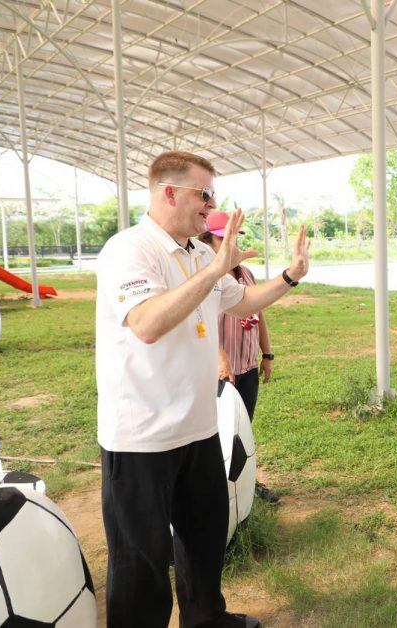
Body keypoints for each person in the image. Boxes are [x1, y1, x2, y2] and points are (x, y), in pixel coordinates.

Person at [95, 151, 310, 628]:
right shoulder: (129, 251)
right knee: (141, 558)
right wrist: (214, 271)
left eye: (212, 194)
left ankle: (206, 618)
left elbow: (242, 300)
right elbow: (147, 323)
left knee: (203, 537)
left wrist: (292, 275)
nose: (211, 205)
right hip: (142, 436)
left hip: (197, 427)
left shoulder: (198, 252)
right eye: (204, 194)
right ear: (169, 193)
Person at [199, 211, 279, 504]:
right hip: (220, 373)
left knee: (242, 432)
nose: (231, 243)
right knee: (218, 434)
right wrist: (221, 359)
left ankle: (246, 485)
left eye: (235, 237)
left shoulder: (245, 273)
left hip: (247, 368)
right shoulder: (204, 274)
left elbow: (259, 314)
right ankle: (217, 493)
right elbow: (203, 322)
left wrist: (266, 354)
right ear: (207, 240)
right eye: (224, 238)